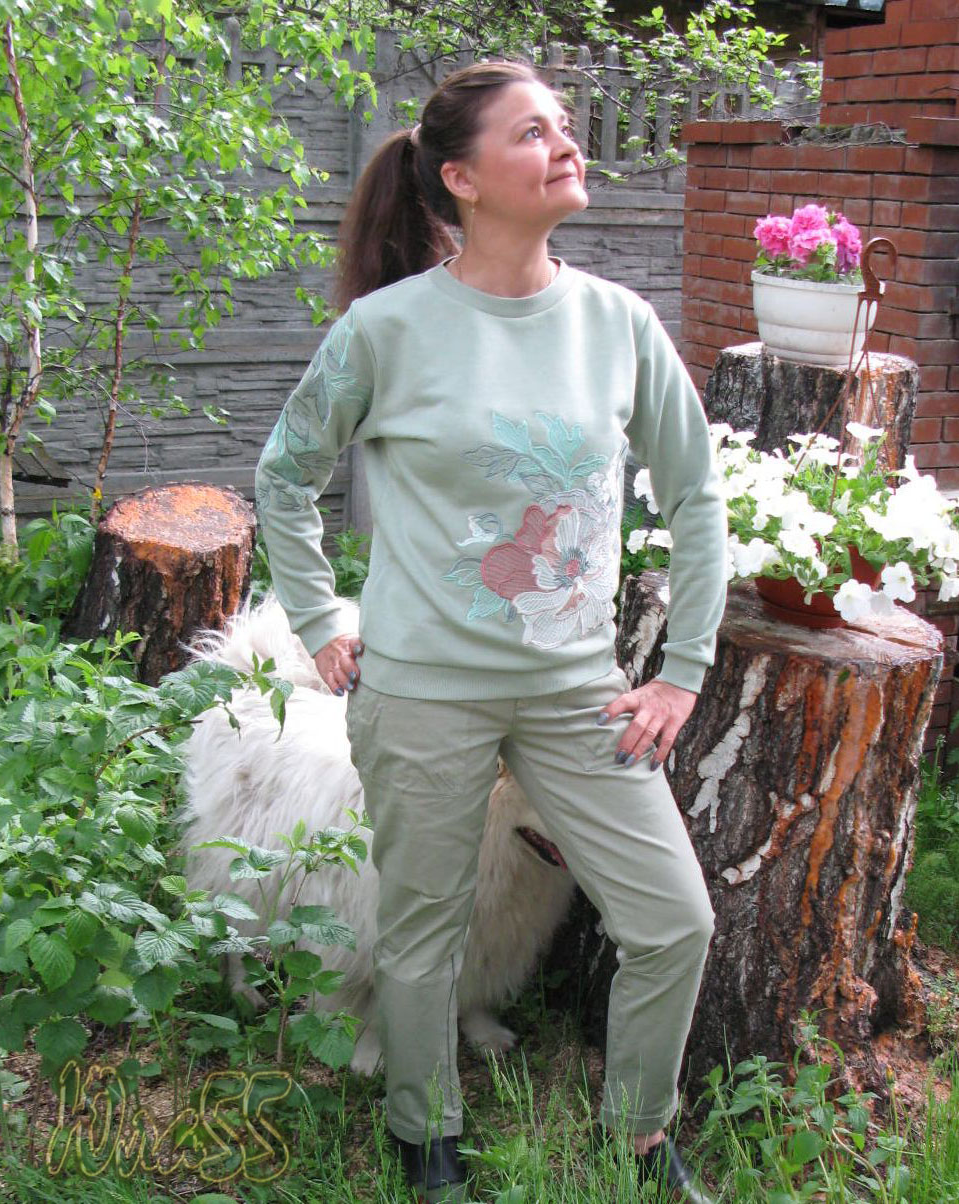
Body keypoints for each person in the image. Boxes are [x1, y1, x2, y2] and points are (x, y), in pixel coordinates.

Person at [255, 59, 726, 1204]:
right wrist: (317, 616)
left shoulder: (616, 324)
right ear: (460, 179)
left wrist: (680, 670)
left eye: (563, 126)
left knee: (673, 920)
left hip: (575, 691)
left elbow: (695, 494)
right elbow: (284, 474)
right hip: (421, 693)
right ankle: (425, 1133)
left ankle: (638, 1137)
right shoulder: (384, 331)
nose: (565, 145)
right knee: (421, 932)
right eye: (531, 132)